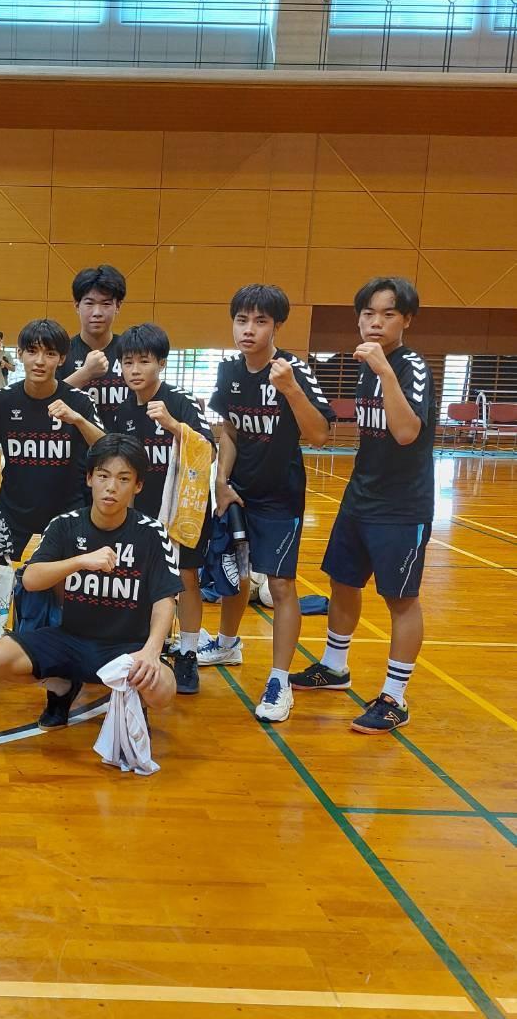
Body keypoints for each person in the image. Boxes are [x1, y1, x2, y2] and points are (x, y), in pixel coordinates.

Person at [291, 277, 436, 734]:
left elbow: (406, 432)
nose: (376, 322)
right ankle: (335, 667)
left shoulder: (410, 367)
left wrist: (386, 372)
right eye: (368, 313)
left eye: (388, 314)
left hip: (402, 507)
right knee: (343, 582)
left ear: (406, 320)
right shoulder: (364, 366)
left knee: (401, 599)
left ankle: (395, 697)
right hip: (360, 498)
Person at [198, 285, 333, 723]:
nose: (249, 330)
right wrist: (221, 481)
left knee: (281, 585)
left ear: (277, 326)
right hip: (238, 493)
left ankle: (279, 679)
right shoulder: (229, 372)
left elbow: (319, 435)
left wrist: (291, 389)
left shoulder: (293, 370)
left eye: (260, 321)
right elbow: (229, 432)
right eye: (242, 320)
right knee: (234, 575)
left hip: (280, 499)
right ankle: (226, 644)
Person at [0, 434, 181, 729]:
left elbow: (165, 598)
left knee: (163, 689)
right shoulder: (65, 525)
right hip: (70, 640)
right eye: (103, 476)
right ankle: (61, 686)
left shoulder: (151, 533)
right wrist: (80, 561)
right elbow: (31, 580)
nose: (111, 487)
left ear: (138, 485)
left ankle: (133, 702)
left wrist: (152, 651)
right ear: (89, 479)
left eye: (123, 479)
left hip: (126, 646)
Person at [119, 322, 215, 696]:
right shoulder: (124, 409)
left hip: (182, 510)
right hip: (142, 511)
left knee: (186, 578)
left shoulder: (180, 401)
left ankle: (188, 653)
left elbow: (208, 451)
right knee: (142, 577)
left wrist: (174, 425)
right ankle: (147, 645)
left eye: (144, 361)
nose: (135, 370)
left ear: (161, 363)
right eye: (128, 362)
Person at [0, 317, 104, 560]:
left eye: (50, 353)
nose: (40, 361)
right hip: (13, 509)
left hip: (66, 509)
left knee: (63, 577)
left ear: (61, 359)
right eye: (32, 351)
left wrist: (78, 420)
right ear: (19, 354)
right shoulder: (1, 400)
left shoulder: (79, 401)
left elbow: (107, 448)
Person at [56, 265, 130, 431]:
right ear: (77, 306)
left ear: (118, 306)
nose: (97, 312)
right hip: (73, 444)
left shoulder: (131, 352)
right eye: (89, 303)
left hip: (122, 444)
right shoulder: (59, 352)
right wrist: (86, 373)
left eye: (106, 304)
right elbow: (47, 402)